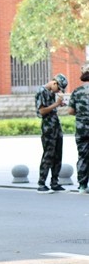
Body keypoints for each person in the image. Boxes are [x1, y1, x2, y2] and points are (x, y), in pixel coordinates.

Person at [36, 73, 68, 193]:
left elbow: (50, 108)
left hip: (56, 125)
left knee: (58, 154)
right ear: (54, 83)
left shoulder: (51, 92)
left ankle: (55, 182)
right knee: (48, 154)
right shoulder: (41, 91)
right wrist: (56, 104)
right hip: (48, 127)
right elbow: (42, 111)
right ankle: (41, 183)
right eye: (58, 88)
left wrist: (58, 105)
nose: (58, 91)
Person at [67, 65, 89, 194]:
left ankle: (82, 186)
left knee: (83, 156)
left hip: (82, 129)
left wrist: (81, 114)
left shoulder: (77, 91)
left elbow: (70, 111)